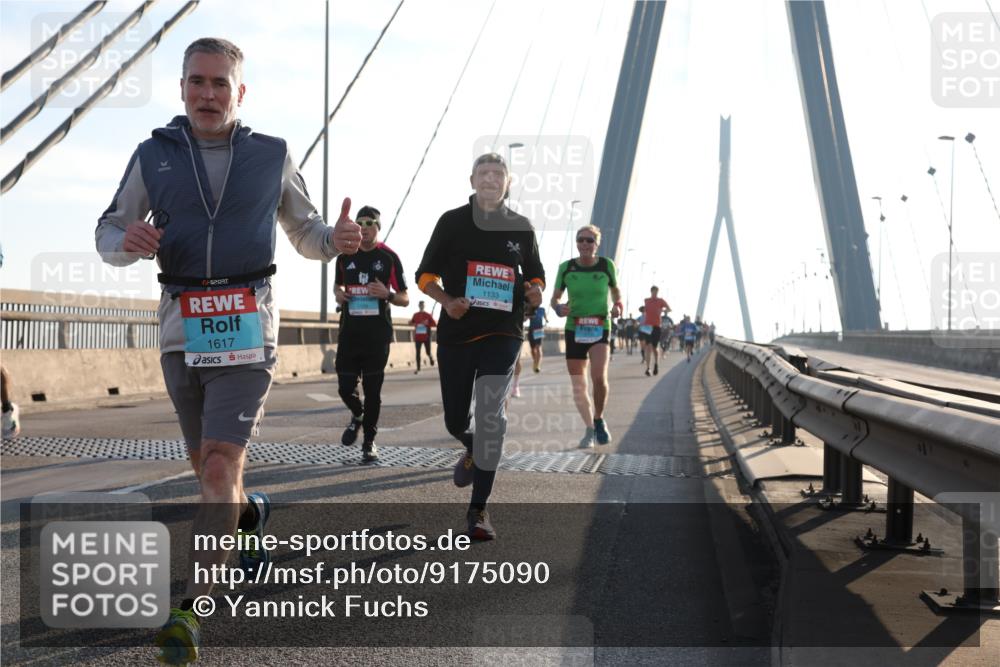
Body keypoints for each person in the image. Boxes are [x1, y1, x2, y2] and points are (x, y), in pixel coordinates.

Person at [95, 38, 362, 666]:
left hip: (247, 326)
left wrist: (338, 240)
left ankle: (192, 611)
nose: (208, 94)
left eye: (220, 84)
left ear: (240, 92)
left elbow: (307, 231)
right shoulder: (153, 154)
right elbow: (108, 229)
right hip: (180, 328)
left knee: (219, 466)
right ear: (182, 88)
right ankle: (249, 515)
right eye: (197, 81)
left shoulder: (272, 154)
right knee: (209, 470)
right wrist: (126, 240)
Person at [415, 152, 544, 540]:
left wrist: (535, 291)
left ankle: (478, 511)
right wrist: (446, 301)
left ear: (508, 183)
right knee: (456, 420)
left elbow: (535, 275)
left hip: (504, 333)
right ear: (472, 181)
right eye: (483, 173)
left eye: (497, 173)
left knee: (491, 419)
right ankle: (470, 446)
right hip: (457, 333)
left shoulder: (521, 227)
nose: (490, 178)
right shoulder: (452, 222)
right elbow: (424, 276)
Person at [333, 205, 408, 462]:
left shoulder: (389, 258)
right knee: (345, 388)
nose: (364, 228)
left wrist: (387, 294)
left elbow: (405, 298)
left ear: (377, 227)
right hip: (349, 334)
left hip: (377, 336)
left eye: (369, 223)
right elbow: (337, 286)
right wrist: (339, 294)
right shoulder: (344, 257)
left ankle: (369, 442)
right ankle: (358, 415)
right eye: (360, 223)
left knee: (372, 391)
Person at [550, 224, 622, 448]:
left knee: (598, 377)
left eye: (589, 240)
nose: (584, 244)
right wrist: (558, 308)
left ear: (597, 244)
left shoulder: (606, 265)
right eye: (580, 240)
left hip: (600, 325)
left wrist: (618, 305)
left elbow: (615, 291)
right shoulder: (566, 268)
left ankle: (599, 418)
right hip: (574, 327)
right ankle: (590, 428)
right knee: (579, 385)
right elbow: (554, 298)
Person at [642, 286, 671, 376]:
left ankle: (656, 364)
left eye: (656, 292)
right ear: (651, 292)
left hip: (656, 326)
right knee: (648, 347)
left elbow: (669, 309)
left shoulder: (660, 301)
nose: (655, 293)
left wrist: (662, 310)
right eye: (654, 292)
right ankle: (648, 368)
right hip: (647, 326)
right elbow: (645, 310)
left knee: (654, 348)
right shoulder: (646, 300)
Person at [409, 300, 436, 373]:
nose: (422, 306)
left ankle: (431, 358)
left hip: (426, 337)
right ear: (419, 306)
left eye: (423, 305)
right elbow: (411, 323)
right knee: (417, 352)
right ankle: (418, 368)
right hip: (418, 337)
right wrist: (411, 323)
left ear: (424, 306)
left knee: (428, 352)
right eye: (420, 305)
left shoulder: (428, 315)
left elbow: (434, 324)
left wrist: (427, 323)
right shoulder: (415, 315)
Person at [526, 305, 547, 372]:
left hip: (539, 330)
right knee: (532, 349)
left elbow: (546, 318)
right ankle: (535, 361)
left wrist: (546, 321)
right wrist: (529, 316)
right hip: (531, 330)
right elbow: (525, 318)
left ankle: (537, 365)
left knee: (538, 347)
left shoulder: (542, 309)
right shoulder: (530, 309)